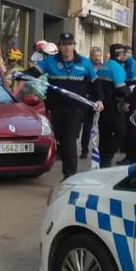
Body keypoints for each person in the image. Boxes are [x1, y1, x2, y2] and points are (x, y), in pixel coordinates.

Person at [24, 32, 102, 178]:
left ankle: (69, 176)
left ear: (74, 45)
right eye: (64, 44)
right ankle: (68, 171)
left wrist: (99, 100)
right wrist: (17, 75)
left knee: (70, 139)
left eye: (70, 44)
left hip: (76, 108)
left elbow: (96, 84)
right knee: (61, 140)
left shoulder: (85, 63)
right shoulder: (50, 61)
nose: (67, 47)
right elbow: (33, 72)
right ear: (59, 46)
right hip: (56, 108)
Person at [93, 44, 131, 168]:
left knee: (105, 134)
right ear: (119, 54)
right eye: (123, 53)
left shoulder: (104, 65)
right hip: (113, 106)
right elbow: (120, 88)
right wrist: (129, 90)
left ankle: (102, 160)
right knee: (121, 132)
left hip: (102, 106)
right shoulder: (117, 68)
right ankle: (107, 157)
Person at [80, 46, 104, 159]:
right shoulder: (86, 66)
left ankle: (98, 149)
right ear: (91, 56)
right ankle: (84, 149)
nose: (98, 58)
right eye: (96, 56)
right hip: (86, 99)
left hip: (99, 100)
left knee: (95, 126)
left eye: (99, 55)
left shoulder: (104, 68)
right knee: (86, 126)